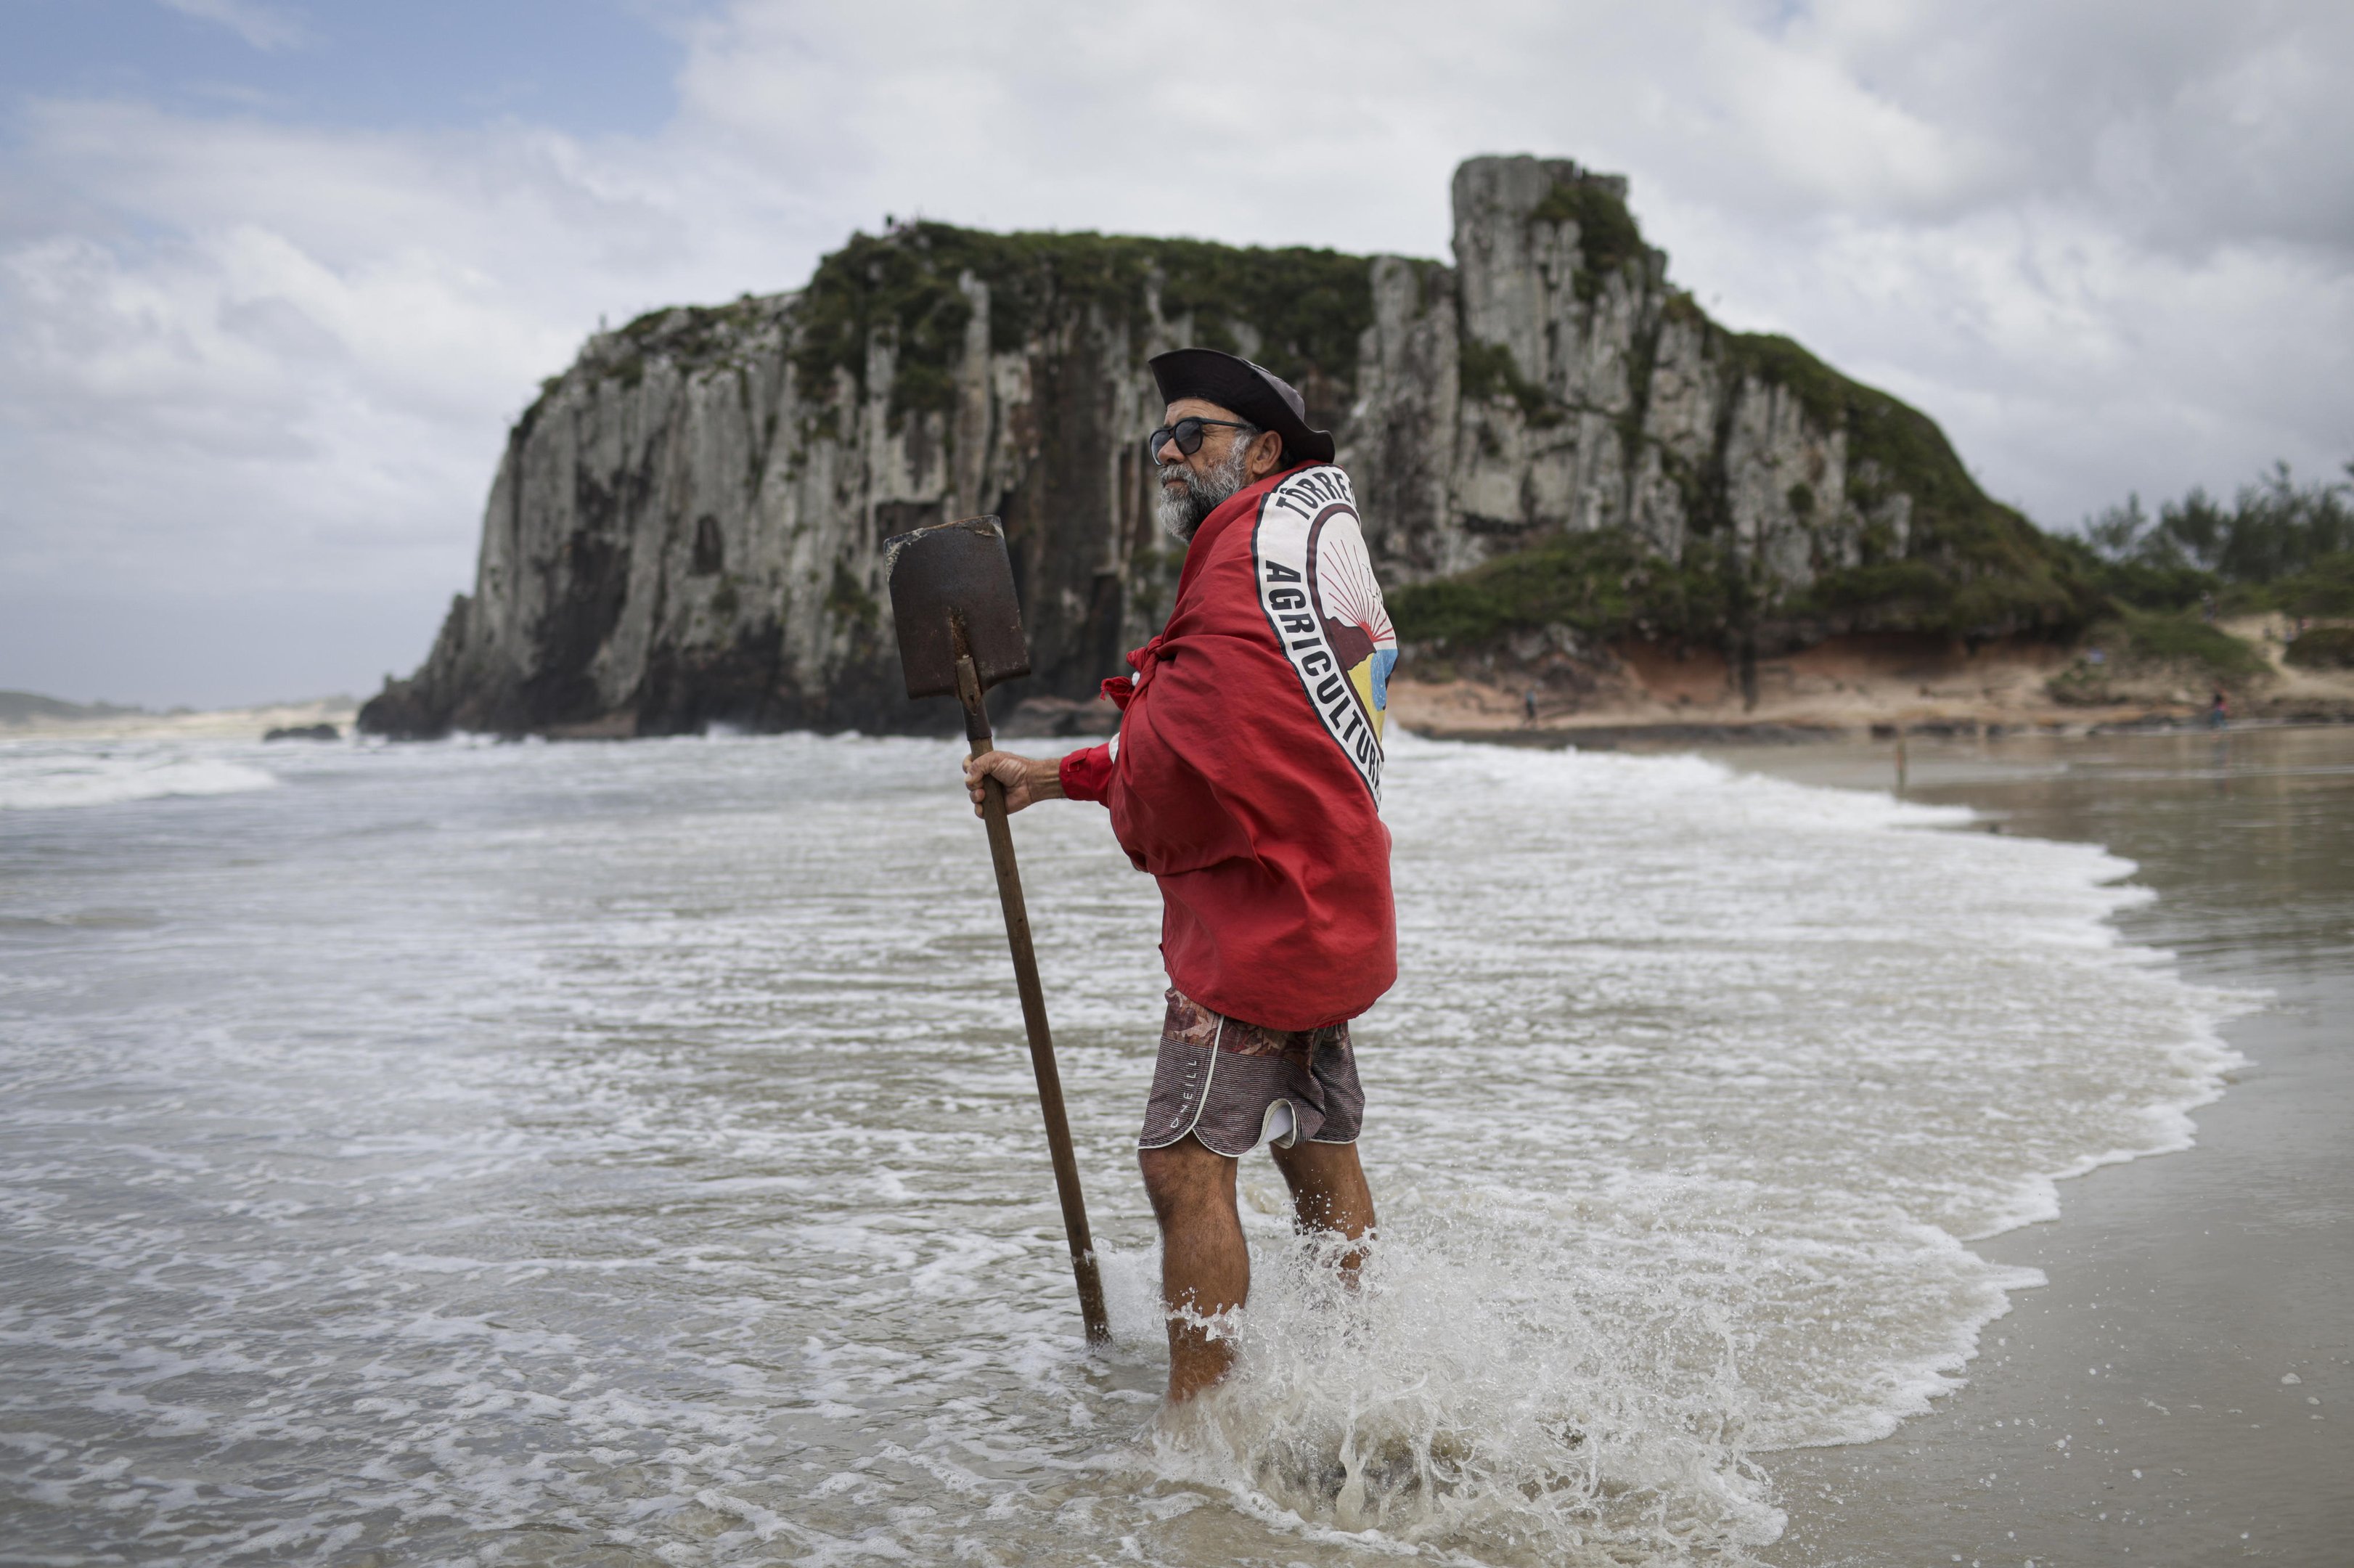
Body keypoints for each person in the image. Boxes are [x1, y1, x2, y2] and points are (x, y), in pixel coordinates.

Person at [962, 348, 1398, 1402]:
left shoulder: (1243, 560)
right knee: (1317, 1153)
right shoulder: (1284, 561)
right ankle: (1360, 1378)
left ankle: (1200, 1433)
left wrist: (1096, 778)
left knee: (1185, 1166)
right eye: (1158, 434)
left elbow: (1182, 761)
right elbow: (1223, 736)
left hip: (1254, 936)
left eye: (1190, 433)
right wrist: (1054, 776)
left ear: (1260, 453)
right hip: (1327, 908)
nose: (1166, 450)